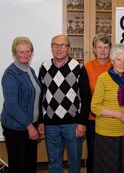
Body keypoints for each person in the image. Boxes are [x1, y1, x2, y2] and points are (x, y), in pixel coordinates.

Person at [38, 35, 91, 173]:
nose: (59, 48)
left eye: (63, 45)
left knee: (74, 161)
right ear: (51, 48)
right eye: (55, 45)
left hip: (73, 124)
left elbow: (86, 97)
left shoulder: (79, 67)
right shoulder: (44, 67)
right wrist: (40, 120)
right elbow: (40, 95)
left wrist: (82, 122)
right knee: (54, 162)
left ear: (69, 48)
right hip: (50, 125)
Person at [91, 43, 124, 173]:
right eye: (118, 59)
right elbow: (95, 107)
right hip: (106, 134)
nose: (122, 63)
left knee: (123, 168)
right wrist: (119, 115)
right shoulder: (103, 78)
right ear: (112, 60)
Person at [1, 36, 41, 173]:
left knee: (30, 163)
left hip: (30, 126)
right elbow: (12, 105)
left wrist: (38, 122)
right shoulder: (10, 74)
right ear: (14, 54)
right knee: (18, 166)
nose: (25, 55)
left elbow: (35, 99)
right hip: (16, 128)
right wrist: (29, 126)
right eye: (21, 52)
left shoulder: (30, 70)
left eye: (28, 51)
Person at [84, 33, 112, 173]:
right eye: (99, 47)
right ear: (94, 49)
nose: (102, 50)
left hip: (112, 118)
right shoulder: (86, 68)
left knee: (110, 152)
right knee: (94, 152)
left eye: (105, 47)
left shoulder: (115, 66)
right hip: (92, 118)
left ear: (110, 49)